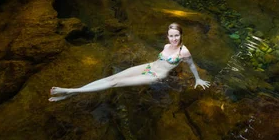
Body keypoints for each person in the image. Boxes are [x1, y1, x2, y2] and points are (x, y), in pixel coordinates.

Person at [49, 23, 210, 101]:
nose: (174, 39)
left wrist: (198, 79)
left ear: (181, 35)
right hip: (148, 67)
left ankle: (70, 91)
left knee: (115, 84)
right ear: (167, 36)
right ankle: (71, 93)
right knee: (113, 78)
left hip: (155, 75)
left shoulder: (184, 51)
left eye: (176, 35)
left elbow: (191, 65)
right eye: (171, 35)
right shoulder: (167, 45)